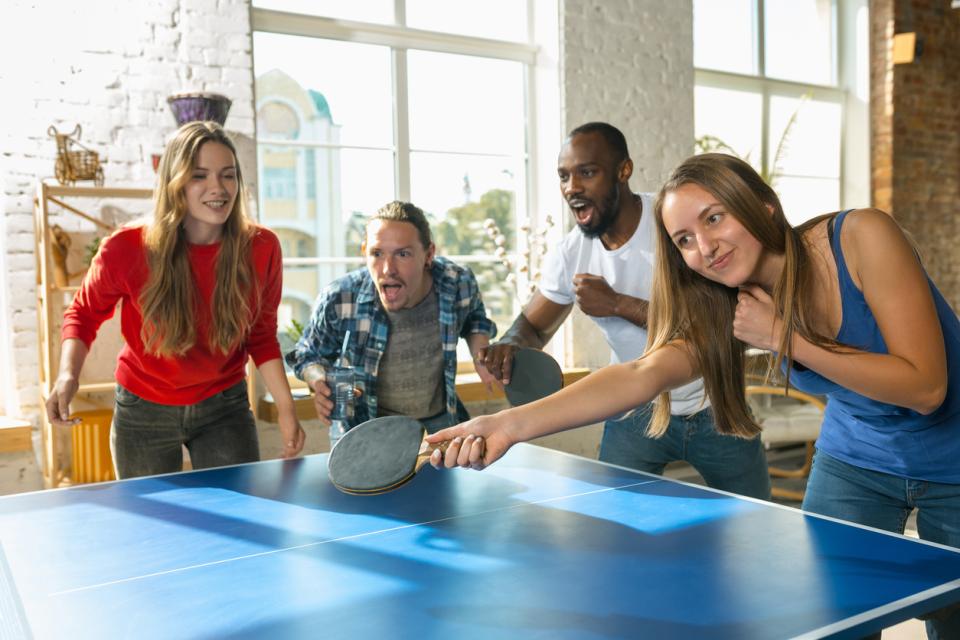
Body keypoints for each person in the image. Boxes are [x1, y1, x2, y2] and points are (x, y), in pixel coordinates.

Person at [431, 152, 960, 639]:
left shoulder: (859, 237)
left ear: (764, 207)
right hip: (855, 461)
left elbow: (926, 388)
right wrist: (507, 426)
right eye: (683, 239)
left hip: (954, 460)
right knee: (835, 623)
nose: (704, 248)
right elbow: (641, 374)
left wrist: (784, 337)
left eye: (714, 218)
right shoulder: (729, 305)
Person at [477, 123, 770, 499]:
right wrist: (510, 344)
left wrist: (618, 304)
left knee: (755, 522)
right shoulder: (571, 253)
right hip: (635, 411)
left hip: (717, 406)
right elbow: (531, 326)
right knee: (613, 523)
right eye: (564, 176)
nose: (572, 188)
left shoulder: (674, 227)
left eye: (587, 172)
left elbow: (717, 325)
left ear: (623, 171)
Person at [47, 121, 305, 479]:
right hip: (142, 410)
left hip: (224, 407)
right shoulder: (127, 248)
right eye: (199, 175)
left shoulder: (261, 248)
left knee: (233, 523)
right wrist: (67, 376)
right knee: (154, 526)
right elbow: (84, 313)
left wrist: (287, 407)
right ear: (175, 183)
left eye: (228, 175)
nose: (218, 188)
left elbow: (260, 334)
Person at [286, 200, 498, 435]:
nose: (388, 269)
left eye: (403, 254)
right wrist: (318, 382)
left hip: (439, 427)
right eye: (377, 253)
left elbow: (475, 318)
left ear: (429, 254)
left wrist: (481, 357)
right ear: (364, 252)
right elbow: (307, 354)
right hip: (363, 433)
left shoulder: (457, 282)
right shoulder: (340, 298)